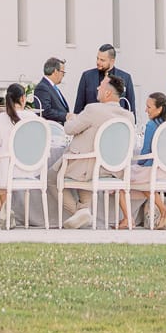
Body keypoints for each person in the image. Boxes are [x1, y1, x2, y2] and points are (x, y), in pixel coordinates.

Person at [59, 71, 131, 230]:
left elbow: (69, 129)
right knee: (83, 178)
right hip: (113, 170)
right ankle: (83, 213)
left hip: (88, 166)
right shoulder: (128, 116)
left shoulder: (93, 109)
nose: (97, 87)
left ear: (107, 92)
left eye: (101, 85)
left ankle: (81, 212)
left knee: (52, 176)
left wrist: (71, 118)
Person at [131, 91, 166, 230]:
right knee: (142, 180)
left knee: (127, 176)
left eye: (148, 107)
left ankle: (128, 218)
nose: (146, 110)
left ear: (159, 109)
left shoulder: (152, 125)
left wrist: (138, 164)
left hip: (154, 171)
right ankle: (163, 211)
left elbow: (146, 151)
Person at [0, 82, 27, 231]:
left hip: (7, 168)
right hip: (30, 169)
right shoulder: (34, 117)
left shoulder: (1, 118)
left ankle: (6, 211)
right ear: (23, 99)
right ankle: (7, 213)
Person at [73, 45, 136, 118]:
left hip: (116, 125)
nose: (98, 62)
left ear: (112, 61)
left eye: (102, 60)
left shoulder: (126, 78)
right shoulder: (86, 76)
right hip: (92, 126)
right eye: (97, 58)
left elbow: (131, 108)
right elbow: (78, 108)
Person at [34, 59, 69, 124]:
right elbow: (45, 111)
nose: (63, 76)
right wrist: (66, 116)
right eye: (63, 73)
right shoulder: (42, 87)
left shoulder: (51, 86)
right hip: (52, 128)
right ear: (55, 72)